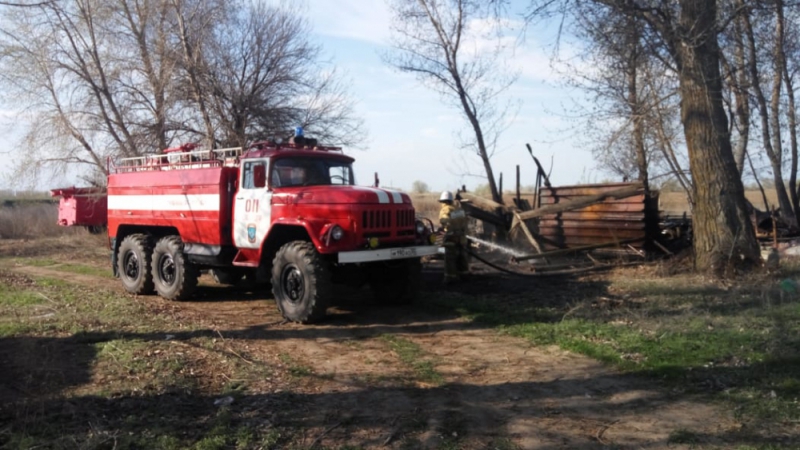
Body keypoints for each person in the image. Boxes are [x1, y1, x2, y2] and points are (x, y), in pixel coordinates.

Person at [438, 190, 469, 283]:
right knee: (462, 257)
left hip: (451, 238)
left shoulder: (445, 210)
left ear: (443, 201)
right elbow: (465, 222)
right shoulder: (458, 209)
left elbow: (446, 222)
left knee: (450, 258)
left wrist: (447, 230)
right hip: (461, 238)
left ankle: (450, 278)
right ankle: (464, 275)